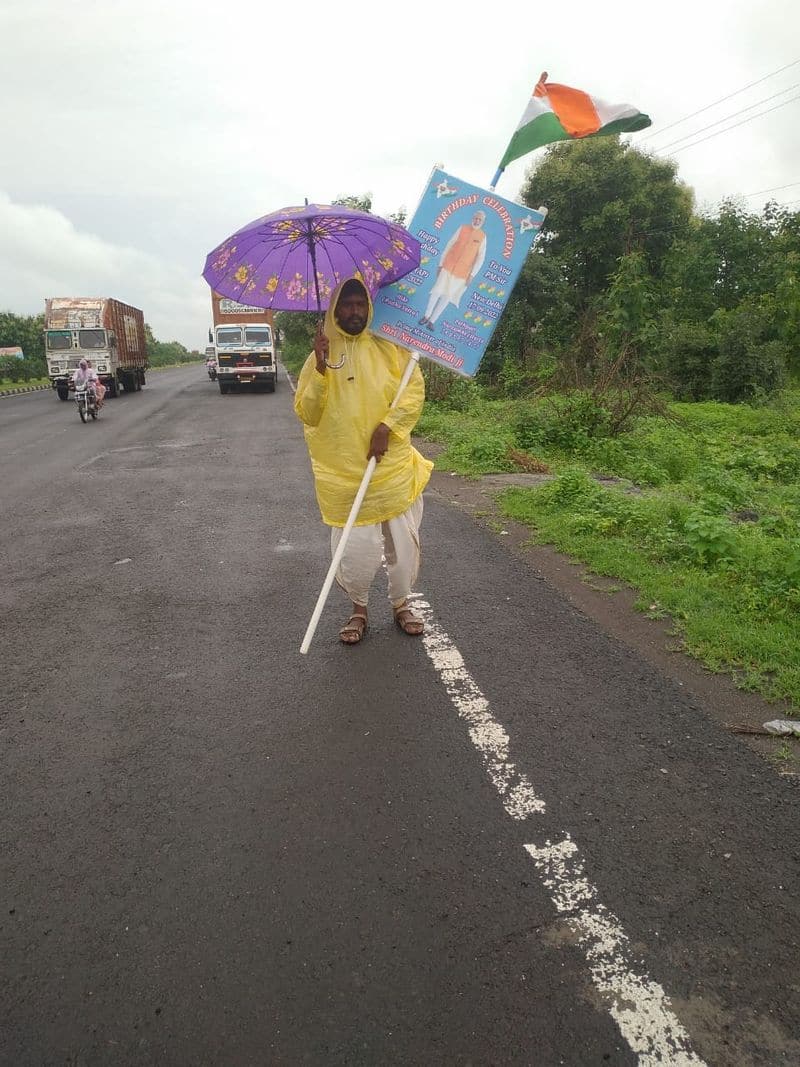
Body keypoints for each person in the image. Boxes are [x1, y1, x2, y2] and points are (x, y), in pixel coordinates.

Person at [294, 277, 433, 645]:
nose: (354, 311)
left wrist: (387, 427)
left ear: (369, 307)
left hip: (390, 469)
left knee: (402, 546)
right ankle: (359, 609)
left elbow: (413, 392)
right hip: (345, 475)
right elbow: (308, 413)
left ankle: (402, 604)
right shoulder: (319, 357)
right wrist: (322, 371)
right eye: (347, 304)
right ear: (335, 309)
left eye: (360, 304)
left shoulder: (392, 348)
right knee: (355, 552)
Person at [419, 210, 487, 331]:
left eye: (479, 220)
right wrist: (441, 264)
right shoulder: (462, 228)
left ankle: (432, 321)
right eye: (476, 218)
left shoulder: (482, 237)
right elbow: (449, 245)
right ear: (473, 218)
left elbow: (481, 258)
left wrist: (472, 275)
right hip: (448, 265)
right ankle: (426, 315)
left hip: (462, 273)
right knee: (436, 291)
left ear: (483, 222)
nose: (477, 221)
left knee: (447, 296)